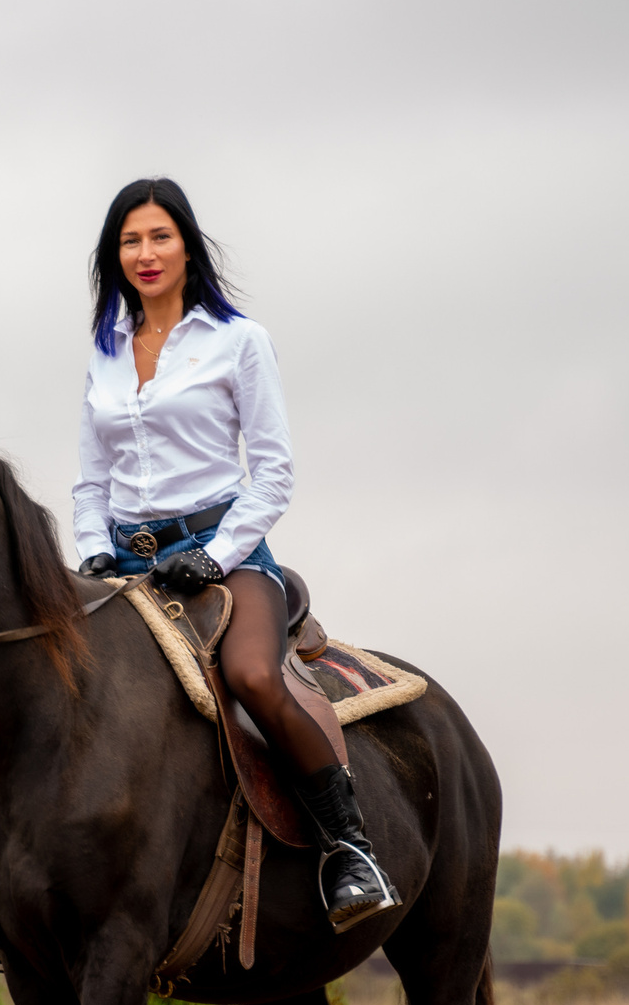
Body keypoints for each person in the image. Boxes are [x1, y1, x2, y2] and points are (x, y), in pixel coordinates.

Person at [69, 178, 397, 931]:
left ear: (187, 245)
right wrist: (94, 552)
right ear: (113, 256)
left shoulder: (238, 341)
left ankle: (349, 848)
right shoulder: (106, 353)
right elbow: (90, 480)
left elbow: (274, 470)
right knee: (61, 685)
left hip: (228, 557)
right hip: (126, 565)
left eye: (159, 237)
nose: (145, 254)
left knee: (252, 673)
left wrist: (216, 556)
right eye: (130, 241)